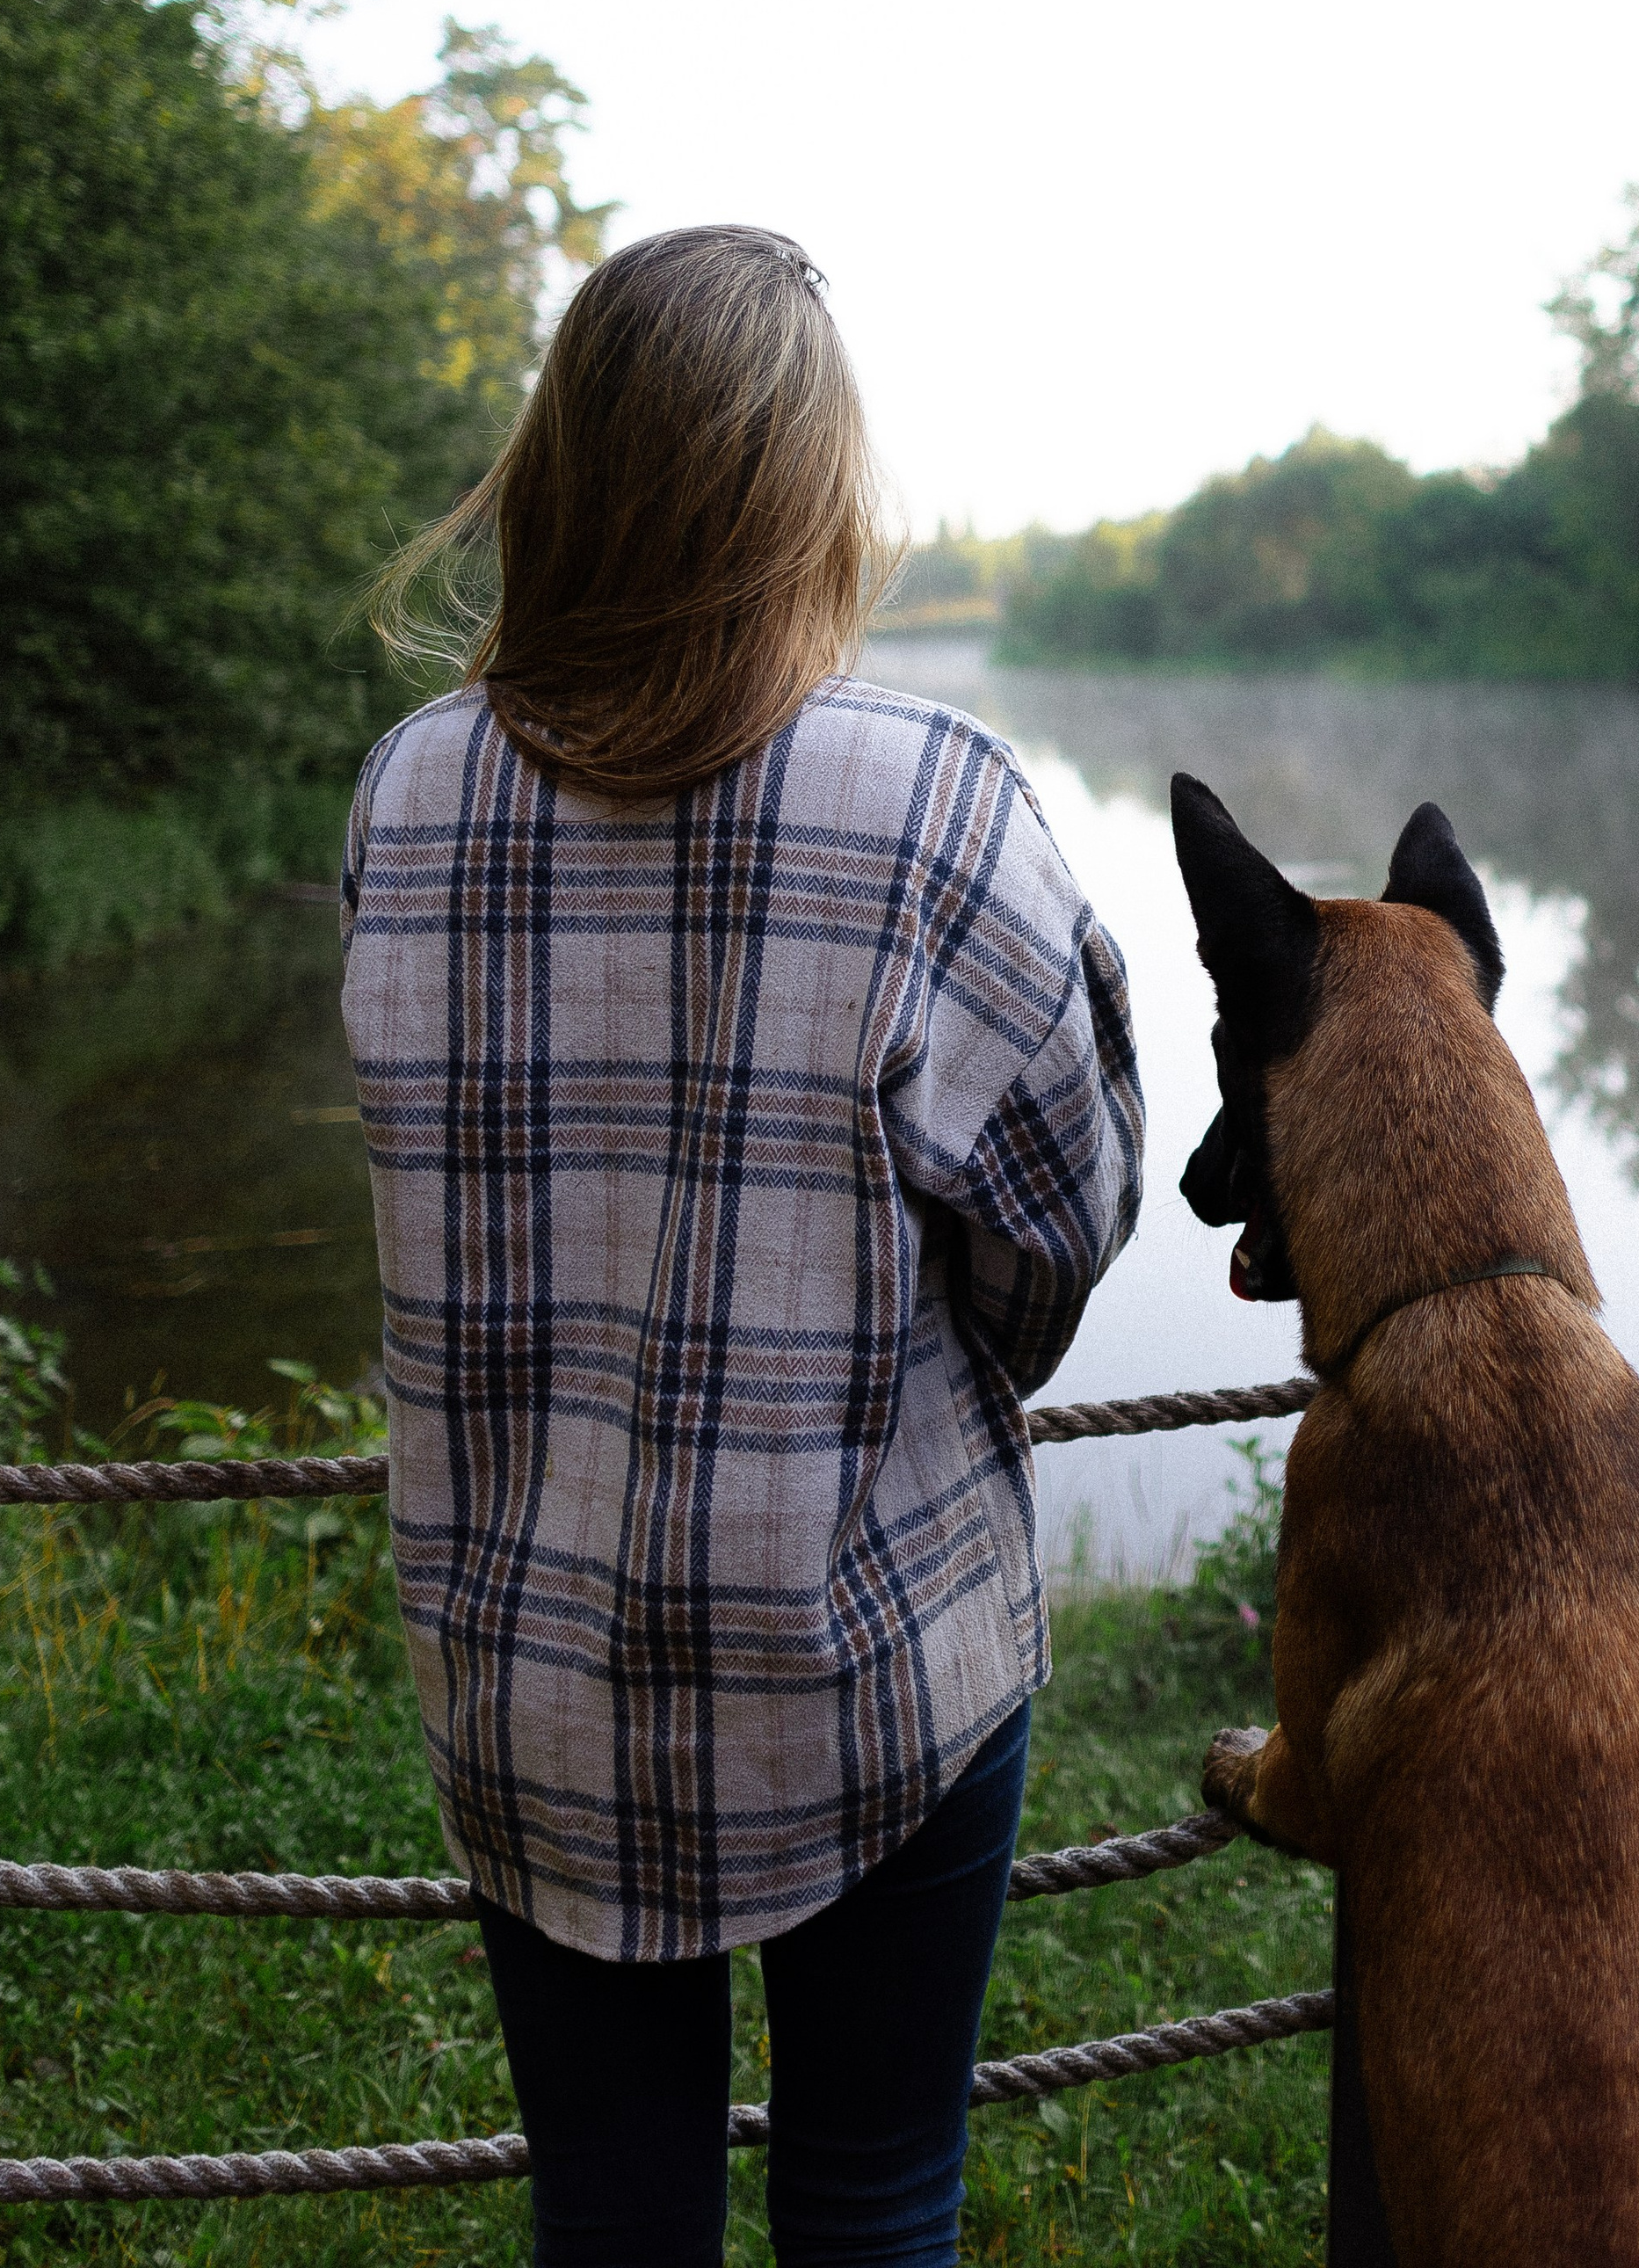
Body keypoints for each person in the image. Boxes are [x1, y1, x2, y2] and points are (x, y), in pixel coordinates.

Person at [340, 225, 1143, 2267]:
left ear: (556, 470)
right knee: (872, 2196)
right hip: (869, 1661)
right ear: (810, 493)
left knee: (613, 2214)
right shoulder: (935, 801)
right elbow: (1056, 1236)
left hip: (526, 1671)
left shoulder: (409, 792)